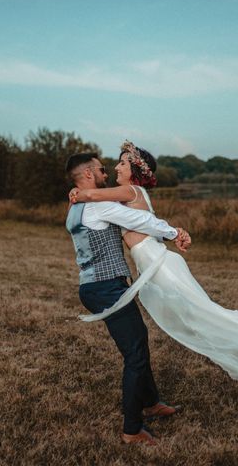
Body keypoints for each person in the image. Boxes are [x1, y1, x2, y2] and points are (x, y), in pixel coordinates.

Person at [68, 141, 238, 389]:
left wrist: (77, 193)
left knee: (213, 318)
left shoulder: (131, 191)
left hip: (163, 269)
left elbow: (91, 194)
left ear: (135, 170)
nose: (116, 168)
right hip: (156, 268)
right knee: (205, 320)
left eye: (122, 163)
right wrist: (175, 231)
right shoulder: (124, 199)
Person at [65, 152, 191, 446]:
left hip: (94, 286)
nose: (106, 173)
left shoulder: (75, 207)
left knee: (138, 341)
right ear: (87, 175)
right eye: (101, 169)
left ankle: (151, 402)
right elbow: (138, 219)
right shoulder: (97, 207)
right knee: (135, 354)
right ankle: (132, 429)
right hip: (106, 286)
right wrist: (174, 232)